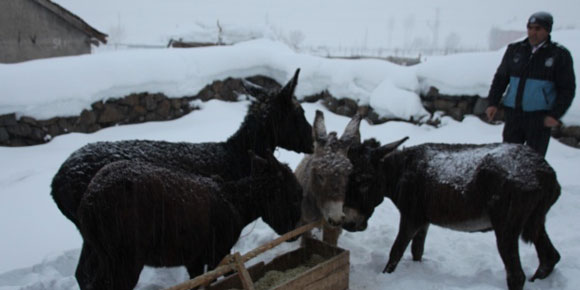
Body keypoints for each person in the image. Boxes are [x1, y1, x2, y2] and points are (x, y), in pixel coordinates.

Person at [486, 11, 576, 156]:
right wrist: (493, 102)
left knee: (533, 163)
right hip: (514, 115)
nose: (533, 32)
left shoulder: (559, 55)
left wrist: (555, 114)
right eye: (530, 28)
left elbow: (567, 89)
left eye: (538, 29)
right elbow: (501, 79)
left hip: (539, 118)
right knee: (508, 159)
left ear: (547, 30)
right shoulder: (515, 50)